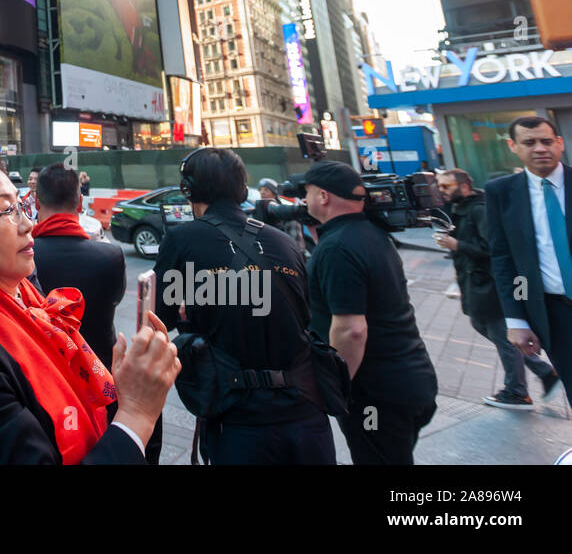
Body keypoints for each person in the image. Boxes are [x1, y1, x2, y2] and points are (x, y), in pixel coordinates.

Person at [0, 134, 179, 464]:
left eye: (22, 206)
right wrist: (136, 414)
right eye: (4, 211)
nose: (28, 225)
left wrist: (126, 395)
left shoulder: (26, 295)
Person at [155, 148, 335, 464]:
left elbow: (158, 320)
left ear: (188, 189)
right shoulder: (284, 241)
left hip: (239, 420)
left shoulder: (181, 239)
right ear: (242, 188)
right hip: (307, 410)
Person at [304, 160, 437, 465]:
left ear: (323, 196)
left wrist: (337, 388)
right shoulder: (372, 234)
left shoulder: (337, 247)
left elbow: (352, 330)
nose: (305, 200)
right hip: (409, 379)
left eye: (308, 193)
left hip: (375, 398)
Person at [438, 168, 559, 409]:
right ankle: (545, 372)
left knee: (503, 337)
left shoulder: (479, 209)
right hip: (476, 284)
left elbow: (494, 249)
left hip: (490, 285)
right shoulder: (461, 208)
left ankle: (517, 392)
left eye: (446, 186)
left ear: (463, 186)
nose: (442, 192)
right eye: (440, 187)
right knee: (482, 325)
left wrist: (457, 244)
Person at [487, 115, 572, 383]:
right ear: (514, 146)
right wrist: (516, 319)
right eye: (529, 142)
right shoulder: (500, 192)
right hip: (555, 315)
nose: (540, 148)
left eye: (547, 141)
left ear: (559, 143)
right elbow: (504, 261)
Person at [31, 164, 126, 376]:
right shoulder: (111, 256)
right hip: (100, 373)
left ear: (37, 201)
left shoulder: (21, 256)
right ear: (80, 203)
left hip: (44, 376)